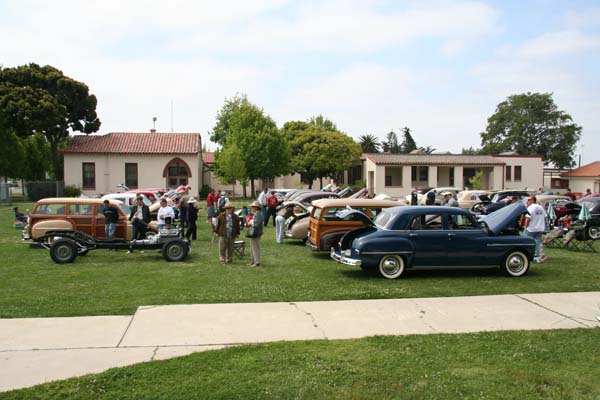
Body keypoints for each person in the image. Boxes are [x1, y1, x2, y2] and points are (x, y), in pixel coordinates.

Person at [523, 196, 547, 263]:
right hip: (540, 228)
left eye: (528, 200)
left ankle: (526, 256)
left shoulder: (530, 208)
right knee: (537, 242)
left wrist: (525, 227)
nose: (527, 202)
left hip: (531, 228)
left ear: (531, 200)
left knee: (525, 242)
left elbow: (528, 218)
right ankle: (537, 257)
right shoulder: (540, 207)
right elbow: (545, 217)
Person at [247, 201, 264, 267]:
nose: (252, 208)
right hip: (255, 232)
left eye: (253, 207)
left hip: (256, 232)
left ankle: (257, 262)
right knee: (252, 247)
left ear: (256, 208)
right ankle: (252, 261)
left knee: (255, 247)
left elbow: (257, 224)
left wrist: (251, 223)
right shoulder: (257, 213)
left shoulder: (258, 214)